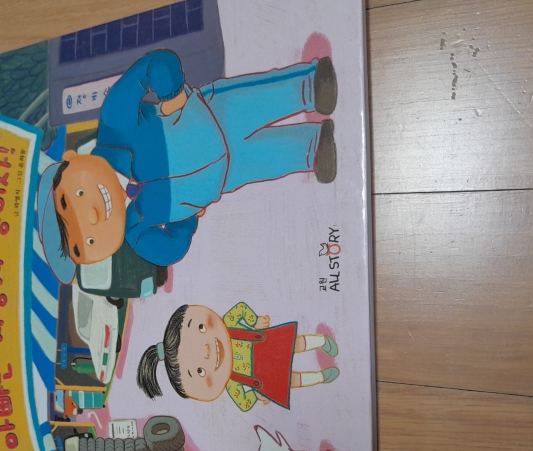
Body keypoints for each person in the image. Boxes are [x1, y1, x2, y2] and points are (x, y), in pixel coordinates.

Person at [36, 49, 338, 283]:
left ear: (70, 159)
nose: (92, 215)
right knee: (270, 159)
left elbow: (154, 65)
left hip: (212, 113)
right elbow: (171, 250)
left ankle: (309, 86)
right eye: (85, 244)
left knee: (260, 99)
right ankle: (313, 148)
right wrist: (187, 220)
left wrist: (173, 96)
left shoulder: (115, 125)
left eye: (74, 198)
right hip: (227, 176)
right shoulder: (137, 232)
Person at [136, 303, 339, 412]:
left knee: (295, 344)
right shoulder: (232, 384)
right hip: (263, 377)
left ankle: (321, 341)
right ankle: (321, 377)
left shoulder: (229, 322)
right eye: (199, 371)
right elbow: (244, 403)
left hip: (266, 343)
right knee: (292, 380)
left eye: (201, 328)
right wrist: (256, 396)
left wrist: (255, 321)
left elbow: (241, 309)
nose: (207, 351)